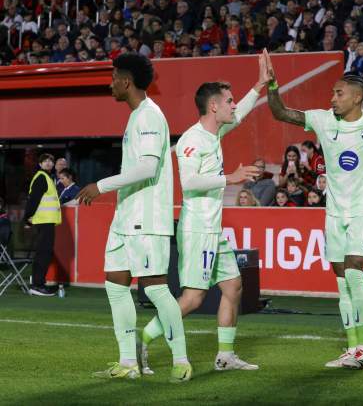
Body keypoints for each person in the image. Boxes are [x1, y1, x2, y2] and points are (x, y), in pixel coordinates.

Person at [265, 49, 363, 370]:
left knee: (355, 273)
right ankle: (352, 348)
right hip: (334, 214)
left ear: (358, 97)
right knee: (341, 280)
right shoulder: (321, 120)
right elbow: (280, 113)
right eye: (332, 92)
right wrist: (272, 86)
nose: (332, 98)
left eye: (338, 92)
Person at [140, 60, 268, 375]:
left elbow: (243, 112)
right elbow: (190, 183)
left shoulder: (216, 132)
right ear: (213, 106)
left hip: (214, 229)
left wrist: (260, 83)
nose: (234, 105)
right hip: (197, 229)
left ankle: (225, 356)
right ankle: (142, 339)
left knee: (233, 287)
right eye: (229, 100)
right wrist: (233, 177)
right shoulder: (192, 140)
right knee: (194, 298)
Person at [76, 54, 191, 382]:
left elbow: (148, 168)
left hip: (147, 217)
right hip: (126, 216)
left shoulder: (150, 116)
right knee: (115, 285)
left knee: (156, 289)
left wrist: (101, 185)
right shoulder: (137, 116)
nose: (110, 83)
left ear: (126, 82)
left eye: (113, 77)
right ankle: (128, 362)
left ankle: (181, 360)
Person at [23, 153, 61, 297]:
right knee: (43, 253)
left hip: (46, 221)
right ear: (40, 164)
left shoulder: (46, 177)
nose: (49, 163)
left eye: (51, 161)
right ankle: (37, 285)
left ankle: (39, 283)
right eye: (45, 161)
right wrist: (27, 218)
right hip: (43, 221)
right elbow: (33, 200)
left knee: (45, 253)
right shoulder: (41, 177)